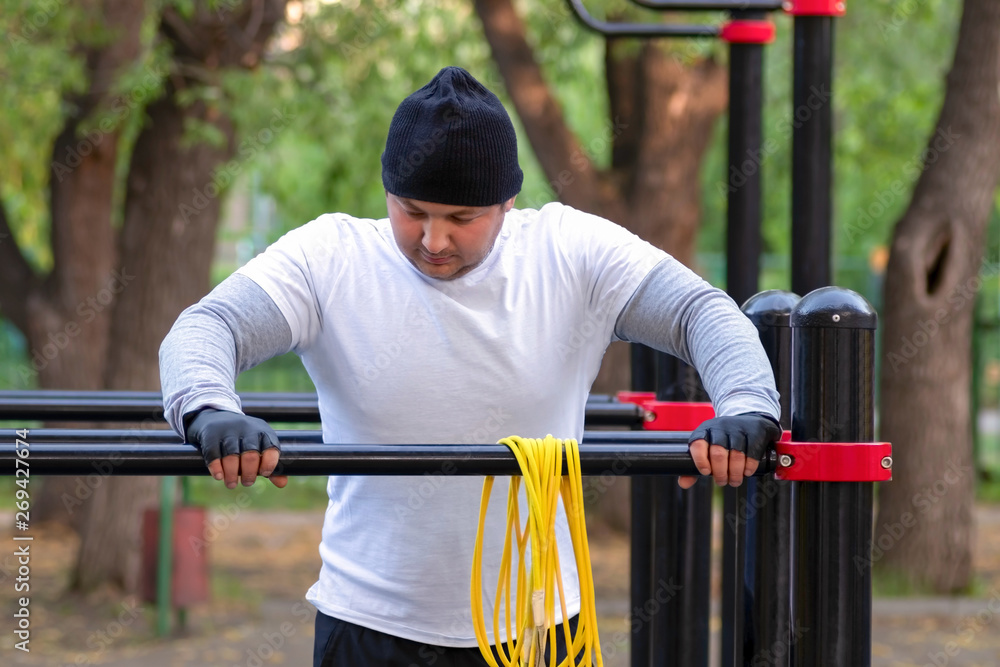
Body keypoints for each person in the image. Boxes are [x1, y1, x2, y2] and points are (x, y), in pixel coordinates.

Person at [159, 66, 781, 667]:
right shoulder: (330, 257)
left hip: (535, 632)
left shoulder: (571, 252)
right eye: (412, 211)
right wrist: (210, 407)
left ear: (507, 202)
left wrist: (747, 405)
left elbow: (702, 312)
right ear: (386, 193)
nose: (433, 240)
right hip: (371, 626)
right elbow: (208, 326)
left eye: (461, 219)